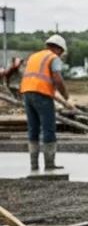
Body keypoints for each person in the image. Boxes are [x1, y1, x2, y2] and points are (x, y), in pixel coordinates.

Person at [19, 34, 70, 173]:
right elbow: (57, 79)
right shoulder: (53, 58)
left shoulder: (34, 56)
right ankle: (49, 163)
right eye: (61, 52)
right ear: (58, 49)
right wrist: (66, 97)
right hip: (42, 93)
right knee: (48, 127)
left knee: (33, 128)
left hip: (27, 93)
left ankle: (34, 165)